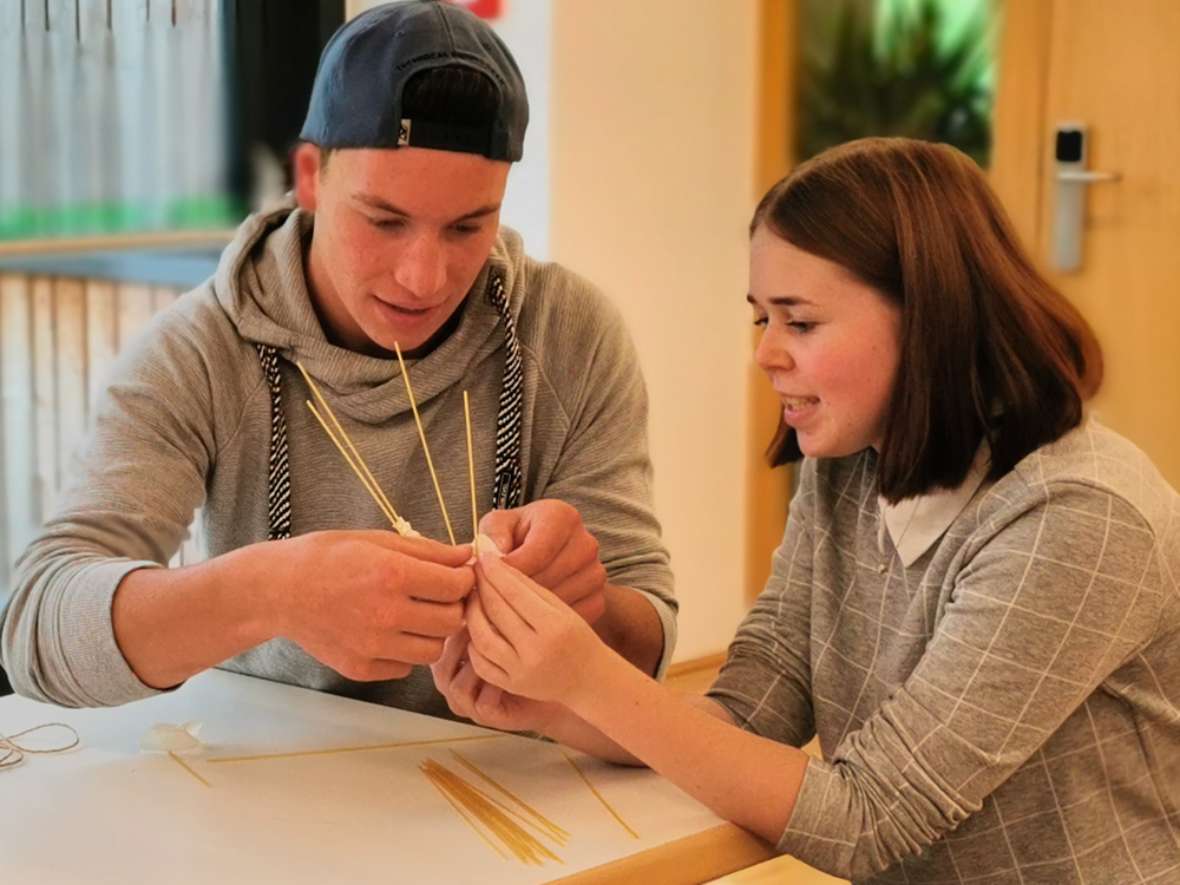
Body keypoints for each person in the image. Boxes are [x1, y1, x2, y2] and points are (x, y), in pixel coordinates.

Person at [436, 138, 1180, 882]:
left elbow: (867, 817)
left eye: (800, 321)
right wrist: (541, 702)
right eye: (763, 318)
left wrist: (588, 676)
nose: (765, 353)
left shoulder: (1077, 515)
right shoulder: (850, 465)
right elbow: (753, 708)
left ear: (929, 318)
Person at [0, 0, 676, 716]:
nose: (425, 276)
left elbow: (647, 645)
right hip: (273, 781)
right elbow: (37, 632)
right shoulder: (201, 349)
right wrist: (272, 590)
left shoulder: (568, 334)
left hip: (512, 778)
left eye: (467, 227)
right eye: (384, 220)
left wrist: (585, 608)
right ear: (312, 177)